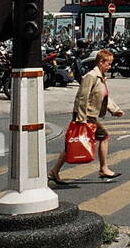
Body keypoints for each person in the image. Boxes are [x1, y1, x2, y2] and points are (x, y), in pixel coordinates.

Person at [49, 48, 124, 184]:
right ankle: (103, 168)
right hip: (86, 114)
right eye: (108, 63)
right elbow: (82, 97)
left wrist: (115, 110)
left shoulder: (100, 76)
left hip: (89, 114)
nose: (110, 66)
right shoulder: (91, 76)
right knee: (104, 137)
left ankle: (54, 171)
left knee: (73, 143)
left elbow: (103, 96)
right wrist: (81, 119)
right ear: (101, 62)